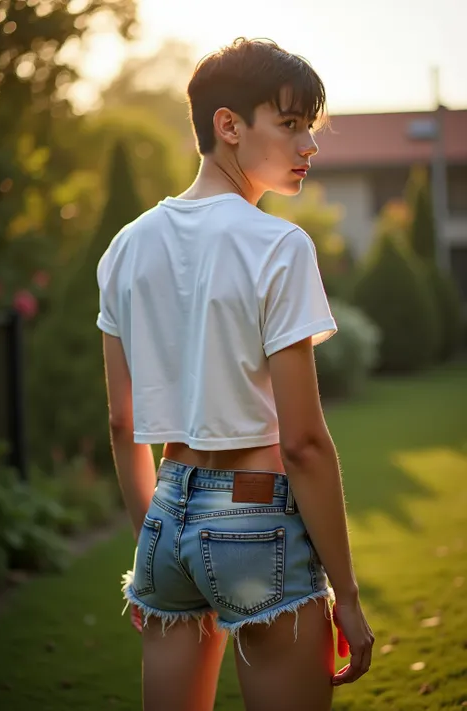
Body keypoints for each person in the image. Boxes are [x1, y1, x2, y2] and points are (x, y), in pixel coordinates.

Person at [96, 37, 374, 711]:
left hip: (163, 515)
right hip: (256, 522)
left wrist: (153, 539)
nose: (308, 145)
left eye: (310, 125)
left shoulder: (125, 248)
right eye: (290, 123)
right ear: (228, 125)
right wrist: (351, 601)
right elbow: (304, 444)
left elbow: (122, 422)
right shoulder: (277, 245)